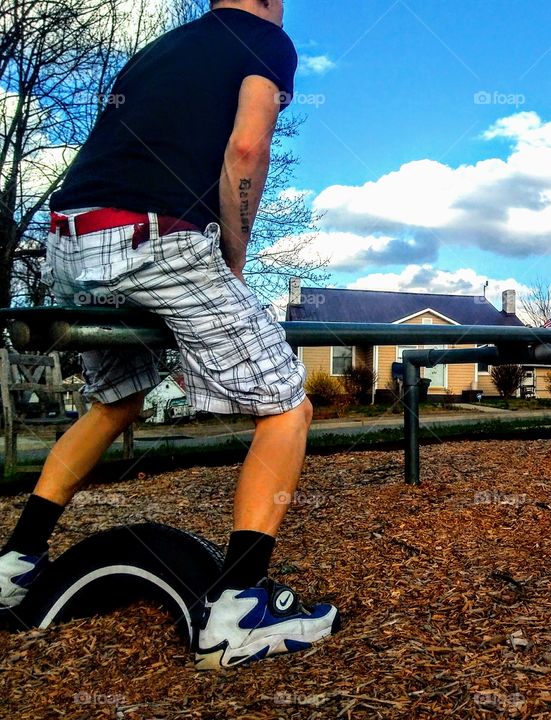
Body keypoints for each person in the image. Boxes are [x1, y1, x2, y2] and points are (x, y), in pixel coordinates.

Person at [0, 0, 339, 670]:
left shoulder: (164, 48)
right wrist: (233, 261)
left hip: (70, 238)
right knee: (287, 406)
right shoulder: (265, 40)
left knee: (115, 401)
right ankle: (238, 612)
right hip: (152, 240)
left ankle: (15, 562)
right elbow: (246, 147)